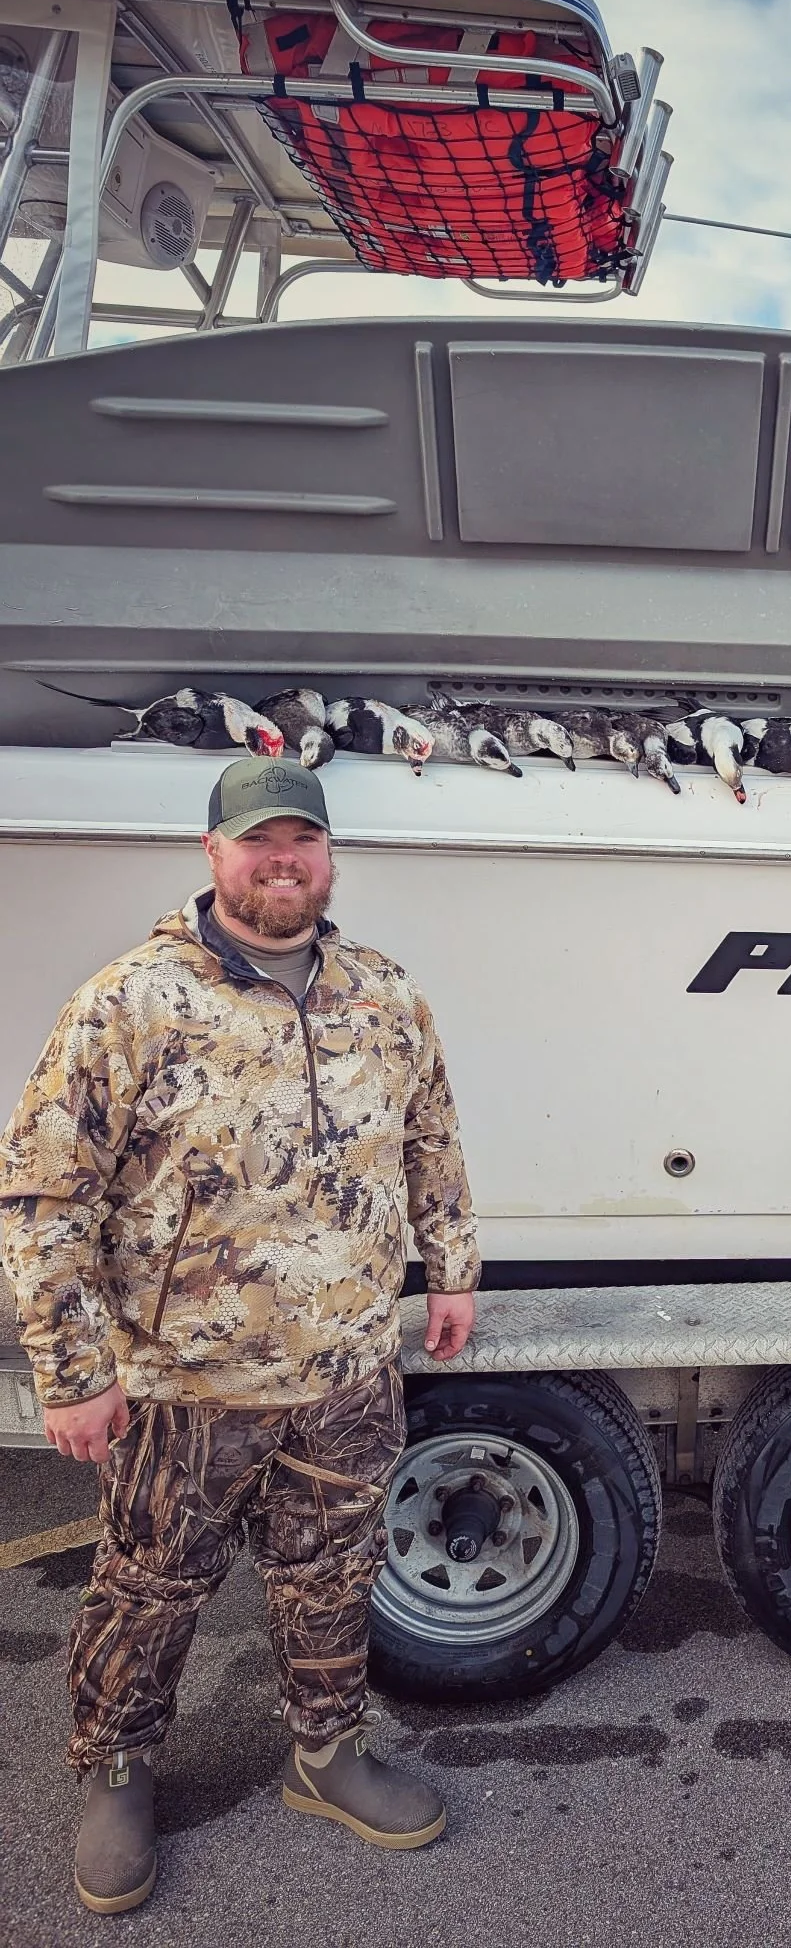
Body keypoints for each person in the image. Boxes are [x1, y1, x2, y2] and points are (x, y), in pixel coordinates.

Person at [0, 755, 481, 1916]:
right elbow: (44, 1196)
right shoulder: (130, 1001)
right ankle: (115, 1770)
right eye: (259, 842)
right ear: (214, 854)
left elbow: (431, 1135)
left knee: (332, 1574)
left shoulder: (382, 991)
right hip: (183, 1382)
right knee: (148, 1584)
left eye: (302, 841)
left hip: (345, 1368)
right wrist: (69, 1371)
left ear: (328, 857)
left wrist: (450, 1267)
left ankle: (326, 1753)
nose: (284, 861)